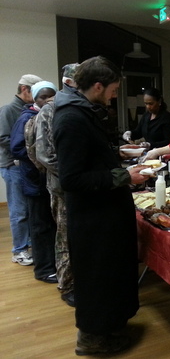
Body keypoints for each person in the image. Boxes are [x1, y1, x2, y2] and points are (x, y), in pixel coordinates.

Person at [53, 56, 149, 355]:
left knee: (111, 276)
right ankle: (93, 339)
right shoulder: (71, 117)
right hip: (93, 218)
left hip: (106, 213)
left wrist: (117, 155)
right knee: (98, 279)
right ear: (97, 86)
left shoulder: (86, 111)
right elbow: (72, 177)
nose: (115, 94)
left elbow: (91, 155)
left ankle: (111, 327)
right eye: (114, 89)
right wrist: (124, 175)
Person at [34, 63, 79, 306]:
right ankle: (67, 285)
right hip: (62, 185)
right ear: (69, 82)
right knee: (64, 237)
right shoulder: (50, 110)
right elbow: (44, 154)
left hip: (75, 185)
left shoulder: (73, 107)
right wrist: (73, 173)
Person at [11, 81, 58, 283]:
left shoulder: (51, 117)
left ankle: (52, 264)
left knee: (50, 224)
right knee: (39, 227)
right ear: (34, 98)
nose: (47, 100)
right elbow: (17, 148)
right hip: (35, 182)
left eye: (51, 96)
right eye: (42, 97)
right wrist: (39, 157)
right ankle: (44, 269)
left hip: (48, 182)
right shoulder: (27, 118)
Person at [0, 74, 42, 265]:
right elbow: (3, 139)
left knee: (28, 207)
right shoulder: (8, 110)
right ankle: (19, 250)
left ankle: (29, 244)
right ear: (25, 90)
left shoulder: (27, 109)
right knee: (19, 210)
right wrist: (30, 150)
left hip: (26, 166)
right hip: (13, 166)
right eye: (34, 92)